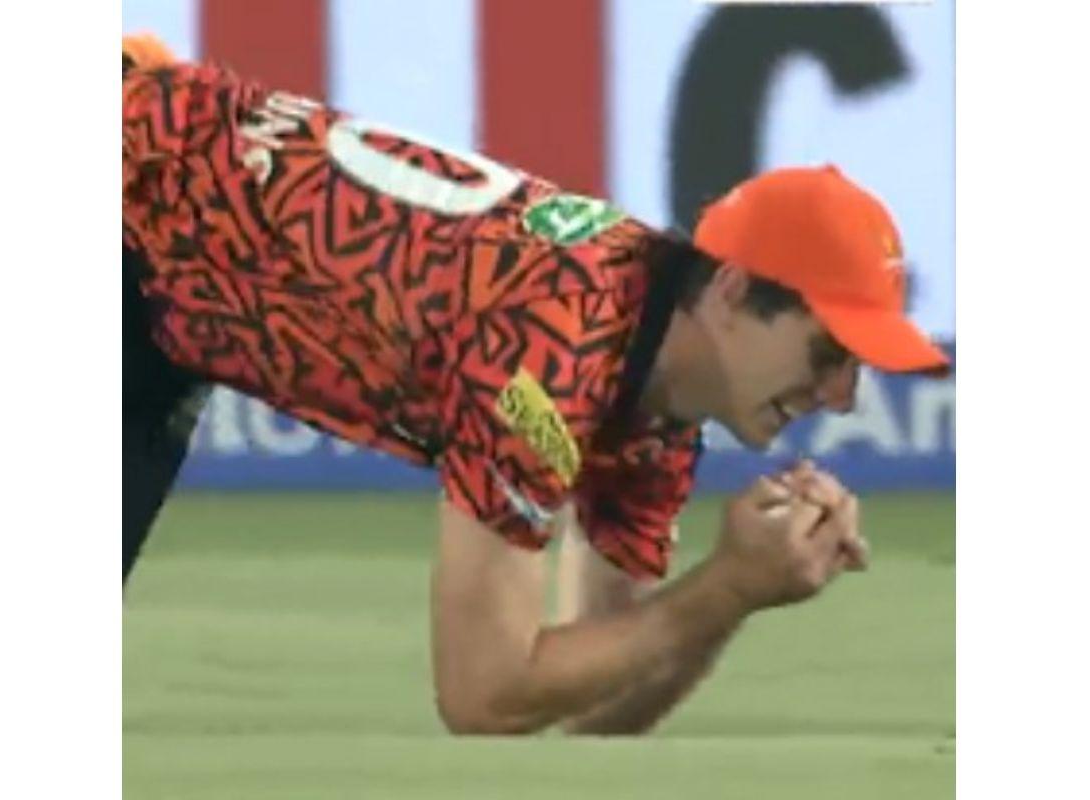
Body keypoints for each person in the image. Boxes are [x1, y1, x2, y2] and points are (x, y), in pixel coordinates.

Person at [121, 35, 949, 735]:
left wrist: (737, 595)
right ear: (732, 292)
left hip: (161, 296)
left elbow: (597, 695)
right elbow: (483, 694)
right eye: (827, 352)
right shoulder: (556, 340)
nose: (842, 396)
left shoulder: (656, 399)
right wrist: (726, 584)